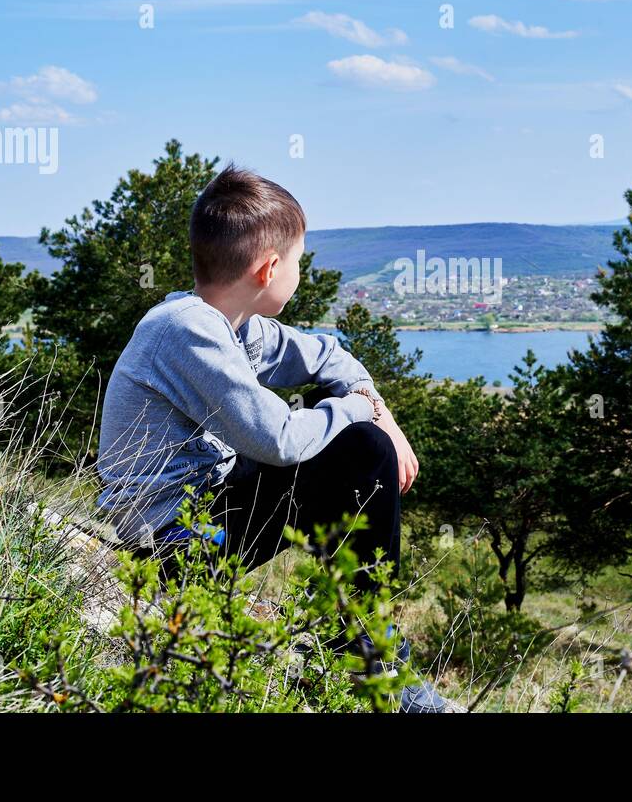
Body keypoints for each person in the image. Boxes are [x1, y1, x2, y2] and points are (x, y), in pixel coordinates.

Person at [96, 163, 460, 712]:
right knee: (360, 445)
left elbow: (330, 355)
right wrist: (358, 410)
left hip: (209, 516)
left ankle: (361, 644)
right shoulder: (186, 329)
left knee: (363, 438)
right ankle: (372, 662)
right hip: (170, 545)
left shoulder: (237, 326)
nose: (300, 272)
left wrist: (383, 413)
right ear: (269, 269)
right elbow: (279, 441)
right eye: (297, 261)